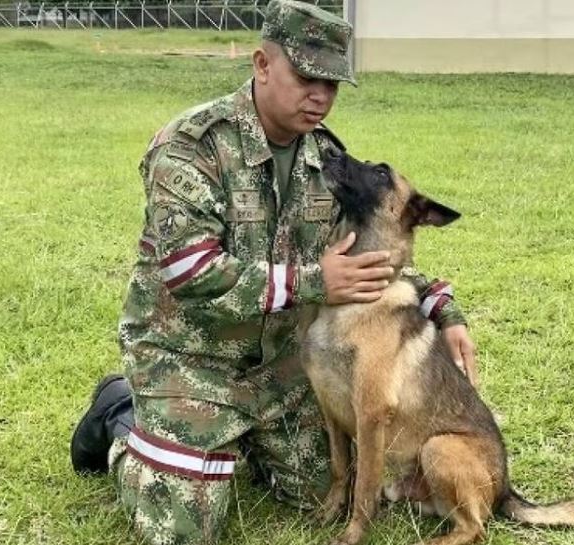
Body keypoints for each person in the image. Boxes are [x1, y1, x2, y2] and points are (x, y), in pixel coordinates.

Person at [70, 1, 477, 543]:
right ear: (262, 64)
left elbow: (371, 259)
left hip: (282, 367)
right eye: (308, 77)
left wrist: (442, 309)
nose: (321, 97)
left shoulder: (327, 161)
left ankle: (231, 441)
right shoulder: (192, 147)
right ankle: (122, 412)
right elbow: (192, 272)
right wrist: (314, 282)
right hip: (192, 359)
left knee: (331, 485)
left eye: (332, 84)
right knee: (184, 527)